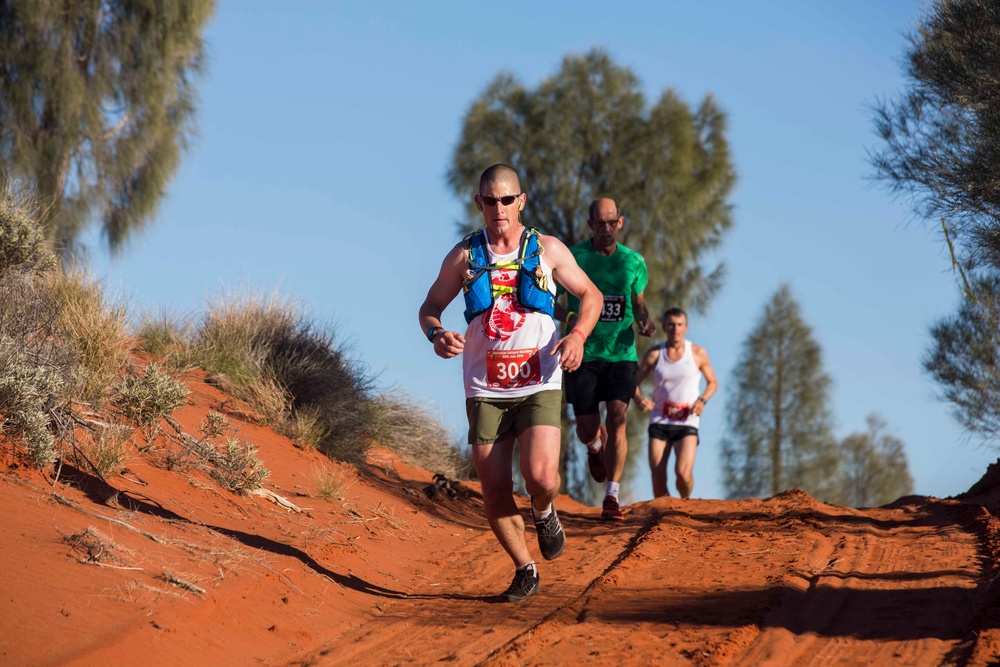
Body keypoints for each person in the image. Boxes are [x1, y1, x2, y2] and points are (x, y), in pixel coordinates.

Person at [418, 164, 601, 603]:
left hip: (539, 378)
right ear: (478, 204)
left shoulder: (548, 250)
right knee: (495, 487)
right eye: (489, 200)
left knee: (540, 476)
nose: (498, 208)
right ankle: (525, 567)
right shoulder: (463, 255)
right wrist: (436, 334)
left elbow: (590, 295)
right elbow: (430, 306)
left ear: (520, 201)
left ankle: (543, 509)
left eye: (506, 199)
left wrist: (577, 336)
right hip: (485, 387)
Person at [559, 198, 656, 521]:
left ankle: (612, 495)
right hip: (582, 353)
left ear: (620, 223)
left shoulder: (633, 262)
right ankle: (593, 447)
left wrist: (644, 319)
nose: (606, 229)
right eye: (599, 223)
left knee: (618, 418)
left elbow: (638, 303)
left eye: (611, 222)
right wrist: (573, 316)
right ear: (590, 226)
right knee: (587, 429)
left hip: (621, 353)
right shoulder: (575, 257)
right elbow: (551, 301)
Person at [634, 307, 718, 499]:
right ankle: (664, 518)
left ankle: (686, 503)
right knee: (657, 477)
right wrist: (639, 400)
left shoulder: (697, 353)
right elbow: (633, 383)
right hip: (660, 420)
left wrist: (702, 400)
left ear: (686, 328)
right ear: (664, 327)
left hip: (686, 421)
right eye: (671, 325)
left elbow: (713, 382)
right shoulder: (655, 354)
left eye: (679, 325)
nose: (675, 329)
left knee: (683, 474)